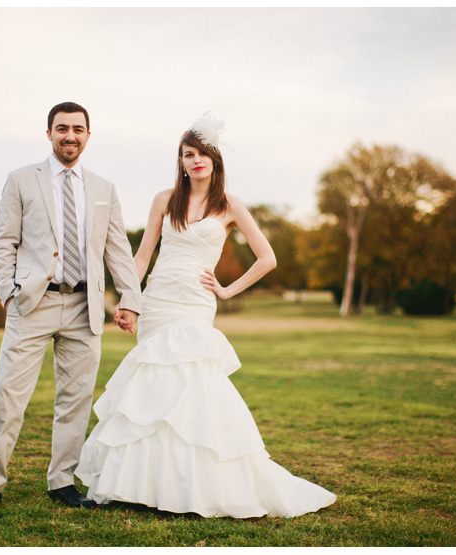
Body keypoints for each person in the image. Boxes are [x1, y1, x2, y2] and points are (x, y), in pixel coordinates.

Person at [74, 115, 337, 518]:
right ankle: (143, 485)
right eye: (187, 154)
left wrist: (228, 290)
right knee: (155, 385)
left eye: (201, 154)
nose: (195, 160)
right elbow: (143, 255)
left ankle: (198, 485)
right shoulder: (165, 199)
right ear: (180, 161)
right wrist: (129, 299)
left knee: (194, 384)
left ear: (214, 159)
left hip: (196, 304)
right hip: (159, 299)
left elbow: (268, 258)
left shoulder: (230, 205)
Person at [0, 102, 142, 509]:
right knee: (8, 395)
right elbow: (4, 240)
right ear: (49, 134)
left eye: (77, 129)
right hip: (32, 303)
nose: (70, 136)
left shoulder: (104, 188)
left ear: (88, 135)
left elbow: (117, 249)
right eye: (62, 129)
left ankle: (62, 483)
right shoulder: (21, 179)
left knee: (75, 400)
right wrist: (8, 290)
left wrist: (130, 298)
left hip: (84, 306)